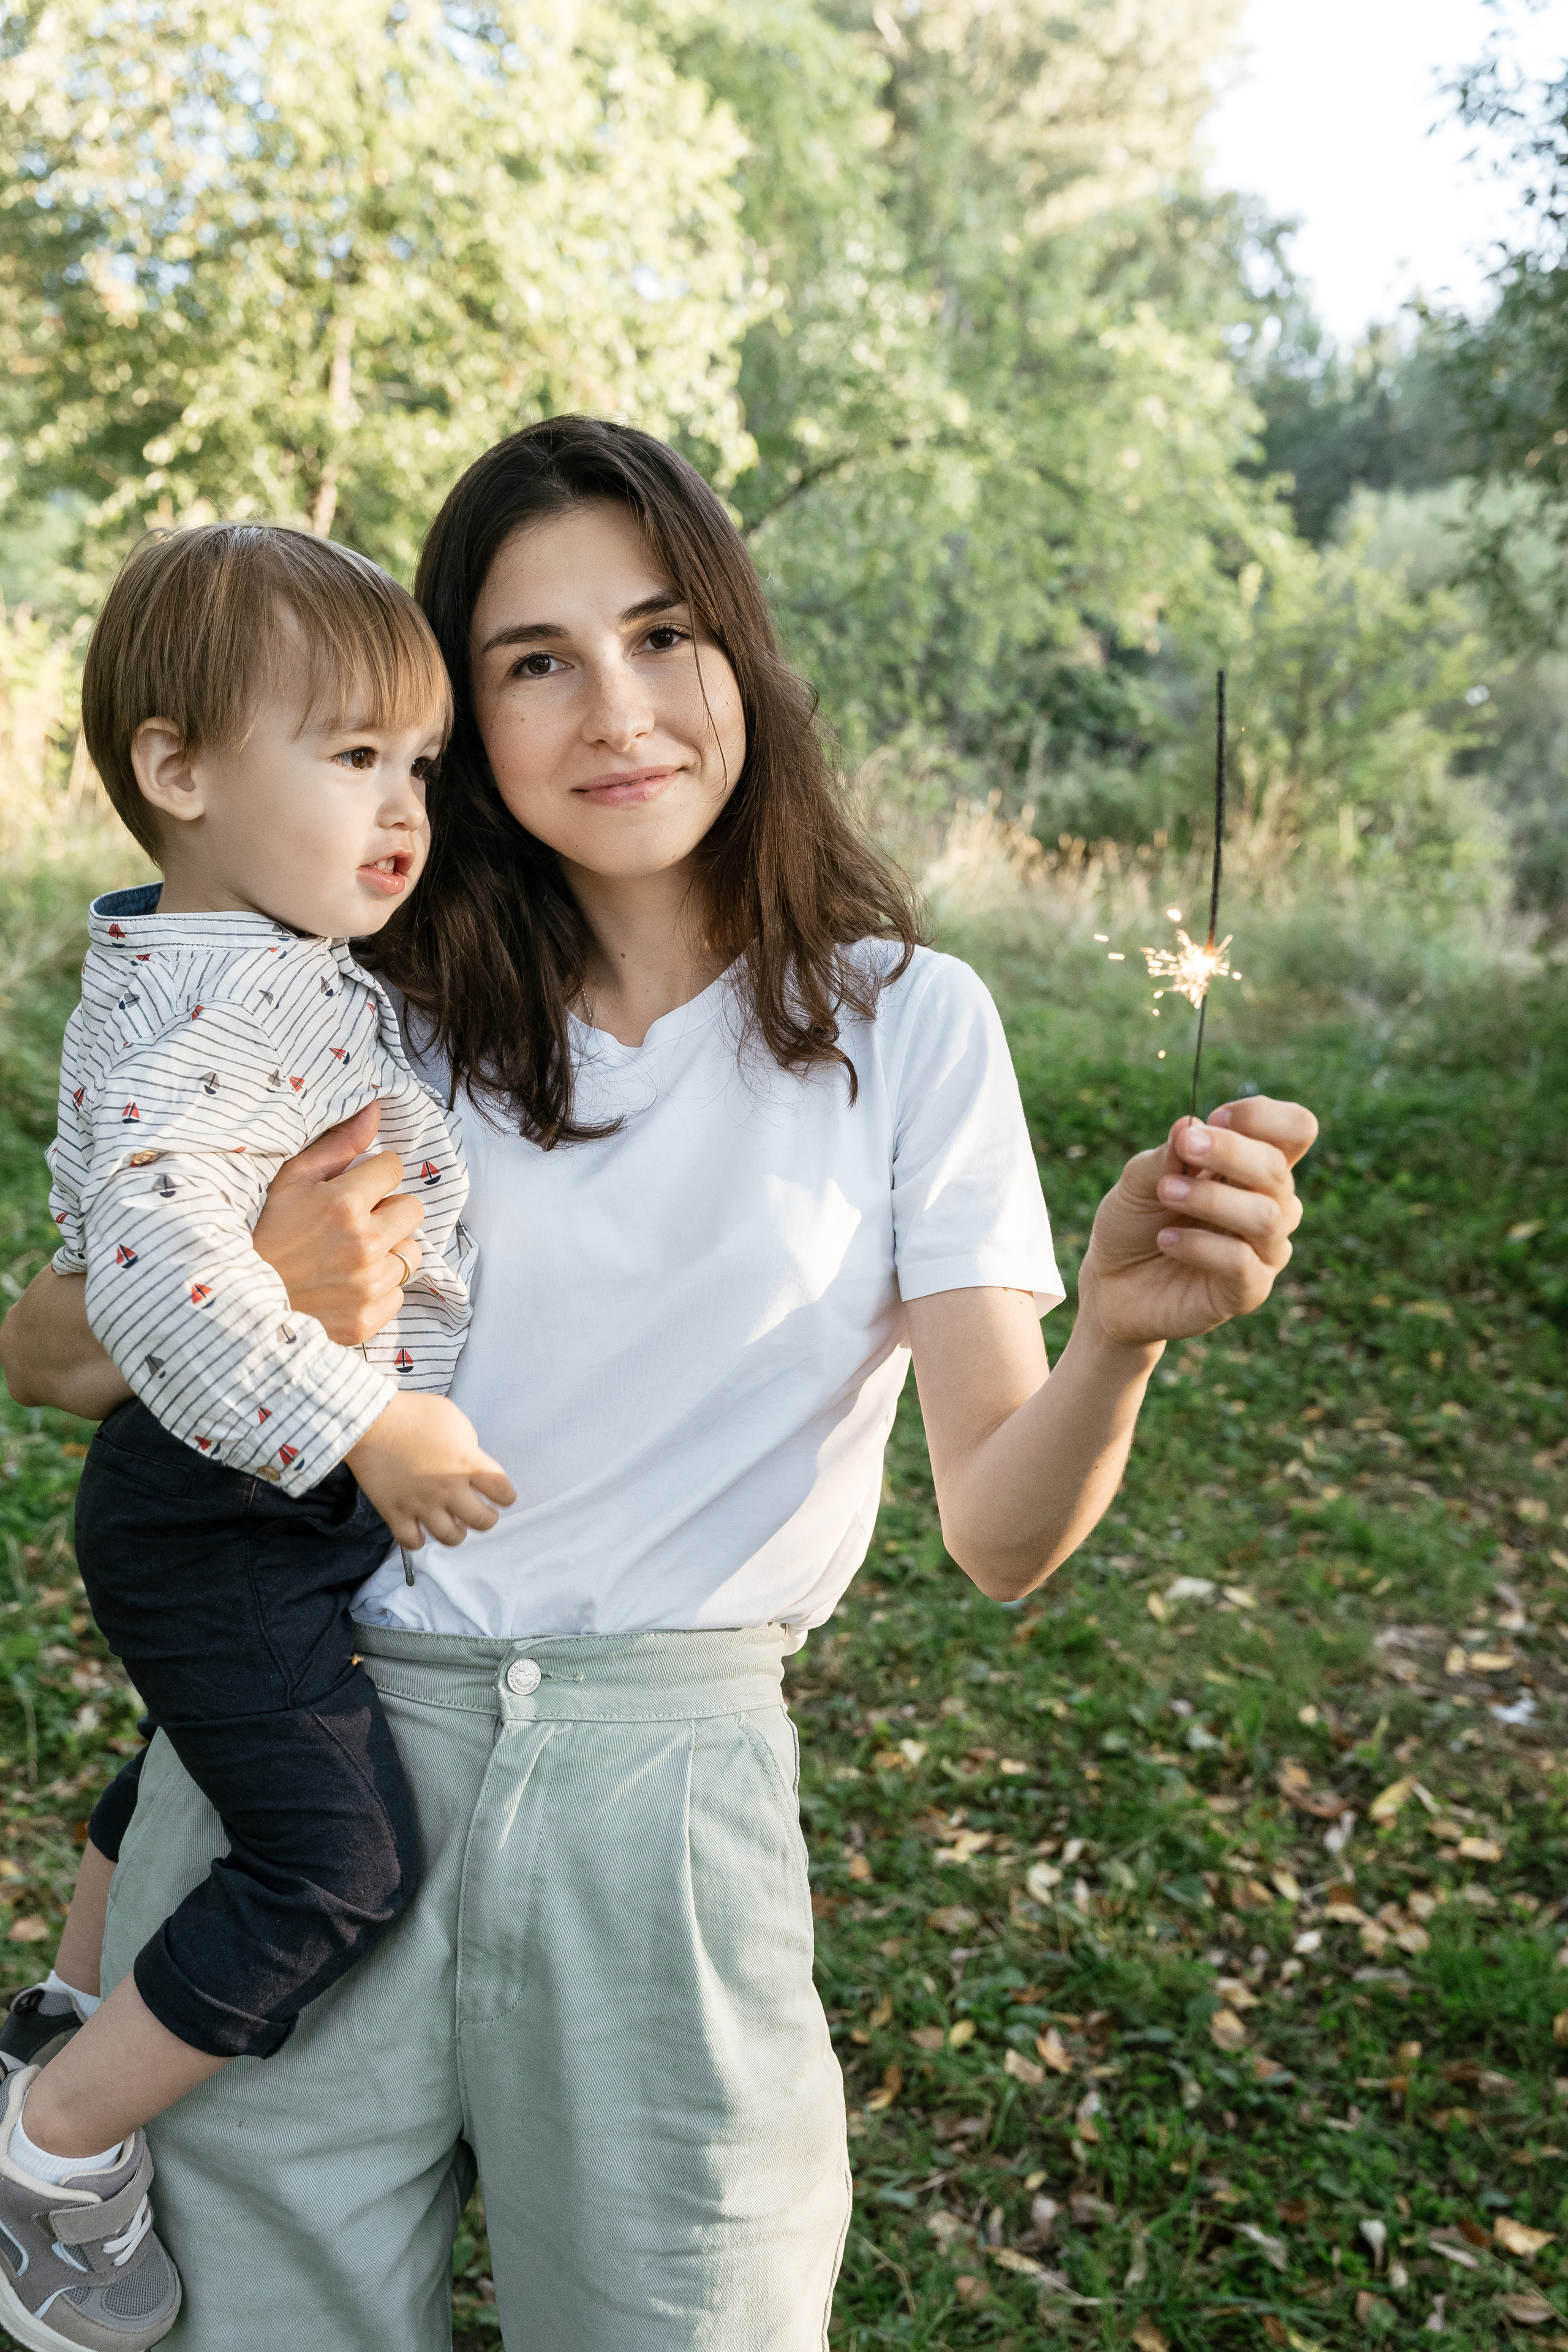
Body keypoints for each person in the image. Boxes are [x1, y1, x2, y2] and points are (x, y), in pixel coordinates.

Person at [0, 416, 1317, 2352]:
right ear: (462, 712)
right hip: (322, 1743)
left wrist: (1111, 1338)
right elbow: (43, 1352)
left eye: (664, 633)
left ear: (744, 664)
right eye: (536, 661)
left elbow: (1003, 1535)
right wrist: (261, 1284)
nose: (616, 707)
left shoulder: (903, 1027)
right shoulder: (361, 1001)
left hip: (665, 1817)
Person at [0, 524, 513, 2352]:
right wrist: (364, 1416)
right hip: (229, 1493)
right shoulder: (223, 1003)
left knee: (192, 1756)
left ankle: (68, 2000)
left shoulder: (245, 960)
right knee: (335, 1860)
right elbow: (146, 1280)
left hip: (233, 1505)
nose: (403, 808)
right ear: (177, 768)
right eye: (352, 755)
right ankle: (55, 2148)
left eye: (420, 767)